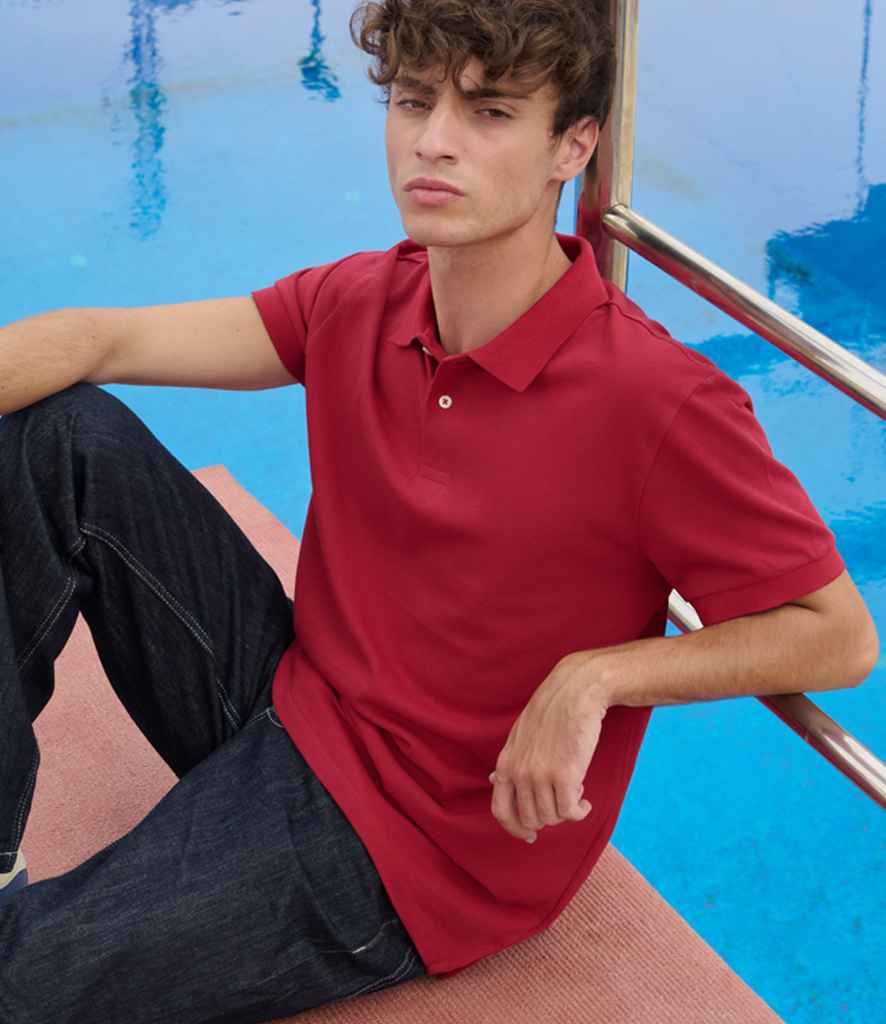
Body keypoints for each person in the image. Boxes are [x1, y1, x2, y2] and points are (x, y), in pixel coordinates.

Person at [0, 0, 879, 1021]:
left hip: (413, 853)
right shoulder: (365, 300)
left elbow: (837, 636)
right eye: (415, 102)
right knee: (57, 432)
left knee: (21, 983)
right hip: (296, 701)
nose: (434, 141)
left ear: (573, 147)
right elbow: (95, 339)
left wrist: (597, 676)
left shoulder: (657, 401)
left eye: (490, 112)